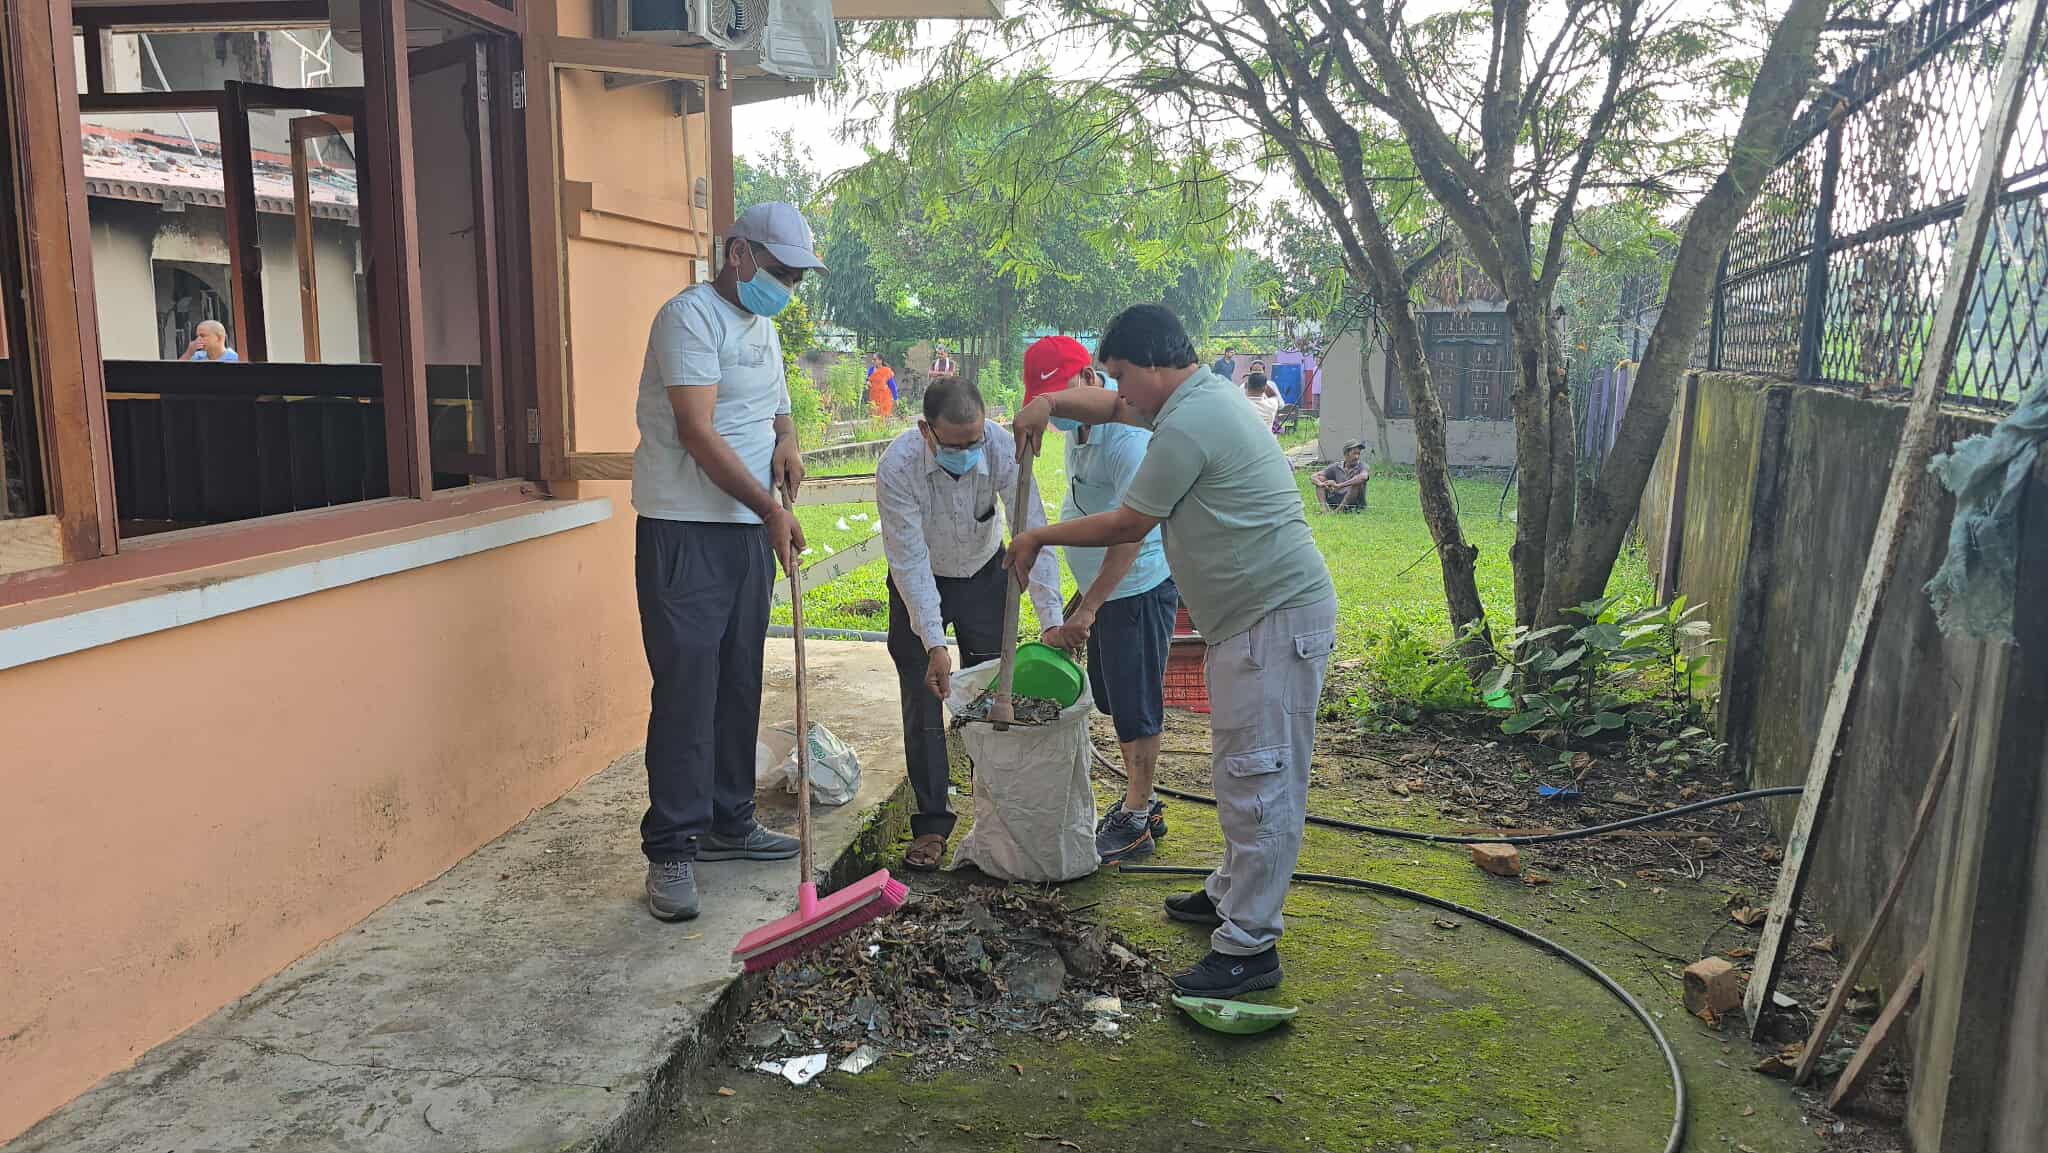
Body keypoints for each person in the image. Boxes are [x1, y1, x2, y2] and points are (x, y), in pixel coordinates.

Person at [1008, 304, 1336, 998]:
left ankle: (1249, 946)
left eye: (1125, 378)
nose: (1120, 396)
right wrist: (1046, 400)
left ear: (1156, 365)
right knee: (1242, 770)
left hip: (1273, 619)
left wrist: (1041, 537)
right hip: (1250, 620)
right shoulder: (1193, 400)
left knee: (1262, 779)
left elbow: (1131, 521)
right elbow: (1107, 404)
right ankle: (1230, 893)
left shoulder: (1188, 423)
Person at [631, 201, 822, 923]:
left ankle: (728, 819)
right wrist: (772, 509)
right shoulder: (689, 319)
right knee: (688, 687)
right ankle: (674, 846)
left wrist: (789, 441)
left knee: (740, 675)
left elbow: (775, 402)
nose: (786, 288)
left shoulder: (763, 325)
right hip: (686, 530)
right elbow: (697, 431)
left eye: (796, 278)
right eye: (778, 271)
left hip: (745, 531)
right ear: (737, 253)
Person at [877, 377, 1065, 873]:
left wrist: (1052, 620)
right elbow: (909, 560)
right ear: (926, 431)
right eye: (954, 445)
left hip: (987, 576)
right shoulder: (897, 468)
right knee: (924, 702)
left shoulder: (1003, 447)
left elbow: (1032, 530)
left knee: (993, 696)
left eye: (974, 441)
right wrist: (933, 641)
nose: (967, 453)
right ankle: (933, 823)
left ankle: (997, 816)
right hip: (921, 582)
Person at [1024, 337, 1177, 863]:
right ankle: (1143, 803)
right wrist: (1082, 600)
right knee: (1114, 701)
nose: (1057, 411)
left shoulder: (1123, 439)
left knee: (1136, 706)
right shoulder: (1083, 430)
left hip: (1135, 589)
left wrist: (1089, 607)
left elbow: (1133, 531)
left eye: (1057, 397)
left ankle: (1136, 816)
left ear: (1090, 378)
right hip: (1104, 597)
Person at [1314, 440, 1370, 512]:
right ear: (1346, 454)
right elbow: (1314, 476)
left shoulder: (1363, 466)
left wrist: (1340, 485)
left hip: (1354, 504)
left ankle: (1338, 511)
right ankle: (1324, 509)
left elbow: (1363, 477)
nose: (1357, 457)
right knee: (1321, 478)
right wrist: (1321, 484)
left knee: (1356, 483)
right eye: (1354, 453)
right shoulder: (1336, 466)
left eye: (1358, 454)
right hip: (1336, 500)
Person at [867, 353, 896, 418]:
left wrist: (895, 398)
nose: (873, 361)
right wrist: (867, 382)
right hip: (873, 397)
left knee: (884, 417)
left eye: (874, 360)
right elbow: (868, 379)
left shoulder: (886, 371)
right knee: (874, 417)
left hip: (884, 398)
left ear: (880, 361)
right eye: (872, 360)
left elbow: (892, 385)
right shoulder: (871, 370)